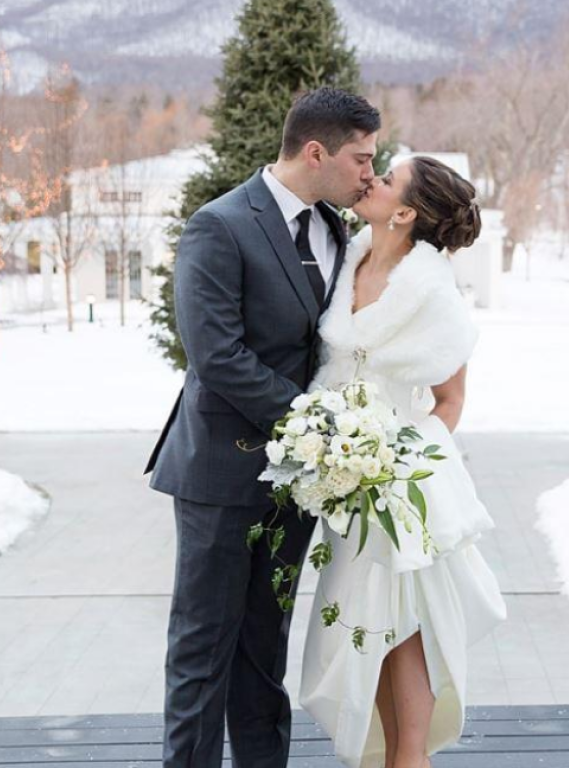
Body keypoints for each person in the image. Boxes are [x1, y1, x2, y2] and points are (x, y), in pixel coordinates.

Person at [145, 87, 380, 768]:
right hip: (221, 474)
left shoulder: (335, 228)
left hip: (296, 485)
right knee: (202, 649)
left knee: (263, 649)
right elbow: (215, 355)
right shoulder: (218, 225)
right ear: (317, 152)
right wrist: (315, 426)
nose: (370, 172)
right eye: (362, 159)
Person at [298, 156, 507, 768]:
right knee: (368, 631)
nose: (373, 181)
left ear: (408, 211)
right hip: (343, 477)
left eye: (386, 179)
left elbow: (451, 401)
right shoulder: (350, 257)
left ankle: (409, 759)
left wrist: (390, 462)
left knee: (403, 630)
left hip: (401, 486)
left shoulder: (434, 294)